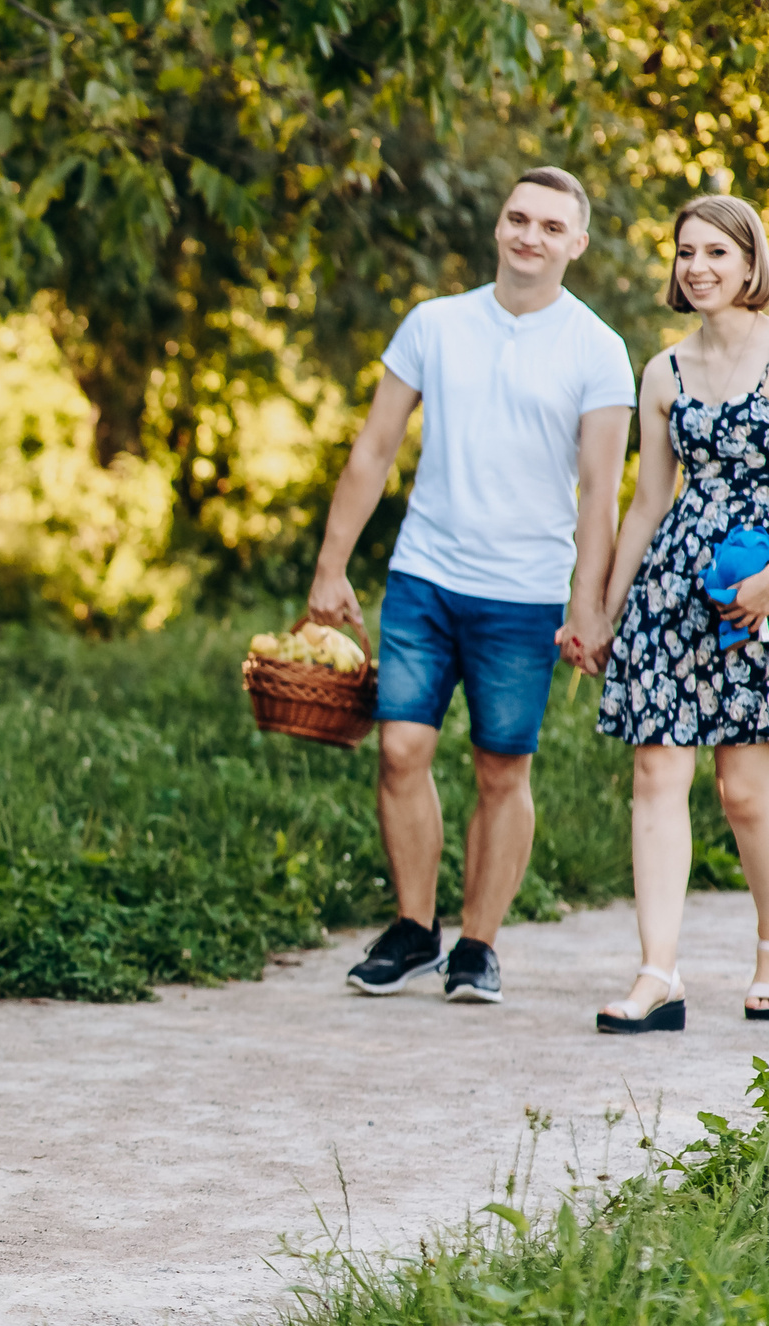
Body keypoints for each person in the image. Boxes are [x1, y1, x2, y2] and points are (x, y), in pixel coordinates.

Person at [309, 167, 636, 1004]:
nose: (530, 236)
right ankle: (414, 928)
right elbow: (374, 447)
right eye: (518, 218)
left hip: (524, 593)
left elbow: (601, 493)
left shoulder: (597, 349)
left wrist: (588, 603)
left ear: (577, 243)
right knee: (399, 749)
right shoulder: (435, 323)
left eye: (551, 226)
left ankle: (478, 945)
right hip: (424, 575)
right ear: (498, 225)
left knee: (501, 770)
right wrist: (331, 565)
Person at [582, 194, 769, 1033]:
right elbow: (647, 504)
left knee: (746, 792)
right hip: (673, 593)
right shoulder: (663, 370)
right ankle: (658, 974)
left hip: (756, 598)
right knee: (656, 775)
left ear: (751, 262)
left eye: (716, 253)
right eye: (686, 252)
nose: (697, 267)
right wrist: (604, 609)